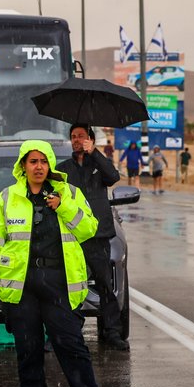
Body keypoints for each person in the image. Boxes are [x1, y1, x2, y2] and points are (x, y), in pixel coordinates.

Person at [0, 140, 110, 387]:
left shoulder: (70, 193)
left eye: (43, 161)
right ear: (23, 166)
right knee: (28, 349)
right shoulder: (7, 198)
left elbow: (89, 229)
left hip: (58, 283)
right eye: (32, 161)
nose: (38, 167)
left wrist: (63, 207)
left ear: (50, 164)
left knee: (71, 345)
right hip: (23, 286)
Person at [60, 123, 128, 352]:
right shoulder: (63, 169)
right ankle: (70, 333)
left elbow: (113, 176)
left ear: (90, 139)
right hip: (72, 237)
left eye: (81, 136)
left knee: (105, 286)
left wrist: (95, 153)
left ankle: (112, 333)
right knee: (69, 287)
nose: (77, 140)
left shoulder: (99, 166)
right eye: (73, 136)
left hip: (99, 236)